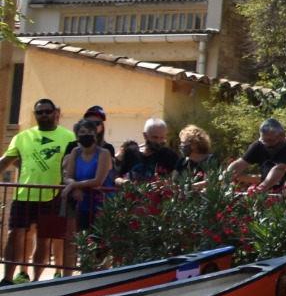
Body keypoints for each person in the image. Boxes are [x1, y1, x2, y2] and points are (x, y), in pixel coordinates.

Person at [0, 99, 75, 282]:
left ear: (55, 114)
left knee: (45, 239)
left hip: (54, 196)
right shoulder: (22, 137)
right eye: (39, 112)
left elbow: (74, 165)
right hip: (23, 195)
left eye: (47, 111)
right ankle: (7, 279)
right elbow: (6, 161)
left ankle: (36, 281)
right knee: (14, 235)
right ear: (35, 115)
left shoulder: (69, 137)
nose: (43, 115)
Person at [60, 118, 114, 273]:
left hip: (102, 205)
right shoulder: (75, 152)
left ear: (96, 135)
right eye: (82, 132)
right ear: (77, 135)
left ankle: (102, 280)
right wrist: (74, 186)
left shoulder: (103, 153)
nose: (86, 135)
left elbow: (98, 180)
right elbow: (67, 176)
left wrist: (73, 185)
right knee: (85, 244)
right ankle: (86, 278)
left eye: (90, 132)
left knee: (101, 247)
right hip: (83, 204)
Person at [226, 119, 286, 183]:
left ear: (282, 135)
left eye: (270, 140)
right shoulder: (259, 145)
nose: (266, 144)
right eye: (263, 140)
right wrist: (223, 179)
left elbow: (279, 169)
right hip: (266, 192)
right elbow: (240, 164)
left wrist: (260, 189)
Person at [114, 119, 181, 185]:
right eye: (155, 137)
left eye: (162, 138)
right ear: (145, 135)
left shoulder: (170, 156)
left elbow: (177, 182)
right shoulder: (131, 152)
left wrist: (164, 184)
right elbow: (117, 177)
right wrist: (123, 182)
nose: (158, 141)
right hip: (133, 194)